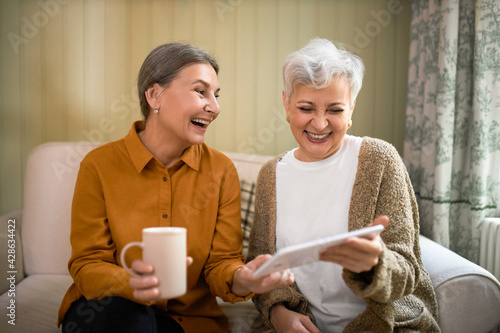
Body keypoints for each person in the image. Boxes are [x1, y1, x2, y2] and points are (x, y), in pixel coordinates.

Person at [57, 42, 294, 333]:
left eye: (216, 95)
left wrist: (243, 278)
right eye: (200, 91)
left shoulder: (221, 172)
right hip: (109, 309)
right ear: (155, 95)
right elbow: (88, 263)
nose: (215, 107)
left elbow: (221, 264)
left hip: (189, 322)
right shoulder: (99, 166)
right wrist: (130, 283)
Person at [246, 38, 440, 333]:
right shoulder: (271, 175)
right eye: (306, 107)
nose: (320, 123)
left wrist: (377, 263)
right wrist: (277, 312)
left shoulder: (379, 160)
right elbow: (260, 266)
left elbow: (408, 270)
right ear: (286, 104)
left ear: (352, 108)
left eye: (335, 110)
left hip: (383, 325)